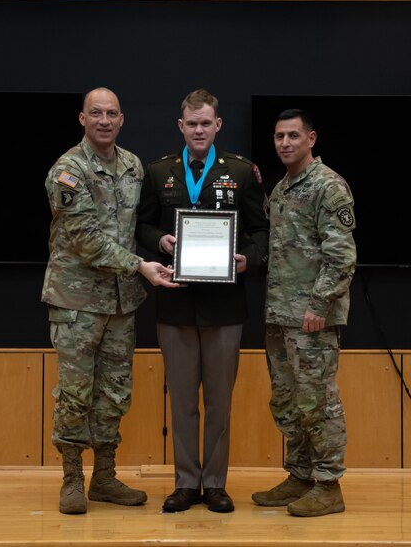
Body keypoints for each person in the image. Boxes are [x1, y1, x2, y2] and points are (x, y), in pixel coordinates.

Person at [41, 87, 179, 515]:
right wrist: (140, 265)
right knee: (76, 393)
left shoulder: (134, 166)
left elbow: (137, 225)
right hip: (77, 300)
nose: (104, 120)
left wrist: (165, 243)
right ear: (82, 119)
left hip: (121, 303)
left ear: (122, 119)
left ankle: (103, 477)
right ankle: (71, 479)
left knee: (114, 393)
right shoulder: (67, 171)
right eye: (95, 113)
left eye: (112, 113)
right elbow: (84, 239)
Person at [136, 89, 269, 513]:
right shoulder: (159, 173)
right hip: (175, 305)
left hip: (225, 307)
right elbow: (140, 226)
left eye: (205, 123)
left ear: (218, 125)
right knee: (181, 402)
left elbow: (262, 231)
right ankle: (185, 483)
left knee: (218, 402)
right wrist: (160, 240)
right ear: (181, 126)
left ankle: (215, 484)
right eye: (191, 123)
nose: (198, 130)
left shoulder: (242, 172)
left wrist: (249, 259)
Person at [251, 109, 356, 517]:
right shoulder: (281, 189)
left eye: (294, 135)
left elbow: (342, 258)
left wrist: (319, 305)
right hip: (280, 317)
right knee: (288, 402)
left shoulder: (327, 187)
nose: (285, 143)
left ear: (311, 138)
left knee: (318, 402)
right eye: (279, 136)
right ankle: (299, 476)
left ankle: (328, 485)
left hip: (312, 318)